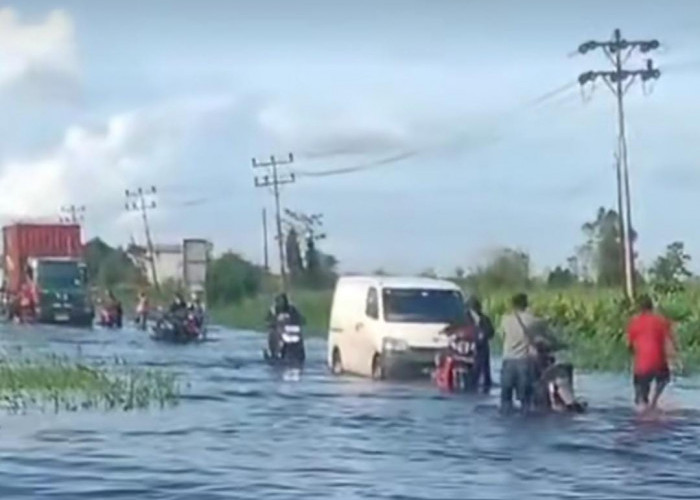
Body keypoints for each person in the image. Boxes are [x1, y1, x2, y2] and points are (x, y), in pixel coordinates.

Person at [499, 293, 556, 413]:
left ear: (512, 305)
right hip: (524, 363)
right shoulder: (534, 321)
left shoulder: (505, 319)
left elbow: (502, 336)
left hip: (507, 361)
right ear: (526, 304)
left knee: (505, 401)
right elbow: (549, 338)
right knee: (526, 402)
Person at [627, 295, 677, 413]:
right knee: (665, 378)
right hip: (659, 362)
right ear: (652, 307)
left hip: (642, 366)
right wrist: (675, 356)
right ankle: (654, 402)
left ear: (639, 308)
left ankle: (643, 403)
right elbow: (670, 341)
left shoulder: (634, 323)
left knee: (640, 397)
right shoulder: (661, 321)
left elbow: (629, 346)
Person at [467, 296, 494, 393]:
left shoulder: (484, 319)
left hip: (482, 348)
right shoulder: (464, 318)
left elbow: (491, 332)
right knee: (471, 370)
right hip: (467, 348)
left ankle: (486, 385)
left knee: (485, 369)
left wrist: (484, 334)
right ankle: (471, 385)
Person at [266, 293, 304, 357]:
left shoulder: (292, 309)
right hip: (280, 332)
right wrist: (271, 323)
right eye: (279, 302)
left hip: (292, 332)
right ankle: (274, 352)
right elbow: (268, 320)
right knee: (272, 334)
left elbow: (300, 319)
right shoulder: (274, 310)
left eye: (283, 301)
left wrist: (299, 322)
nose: (281, 303)